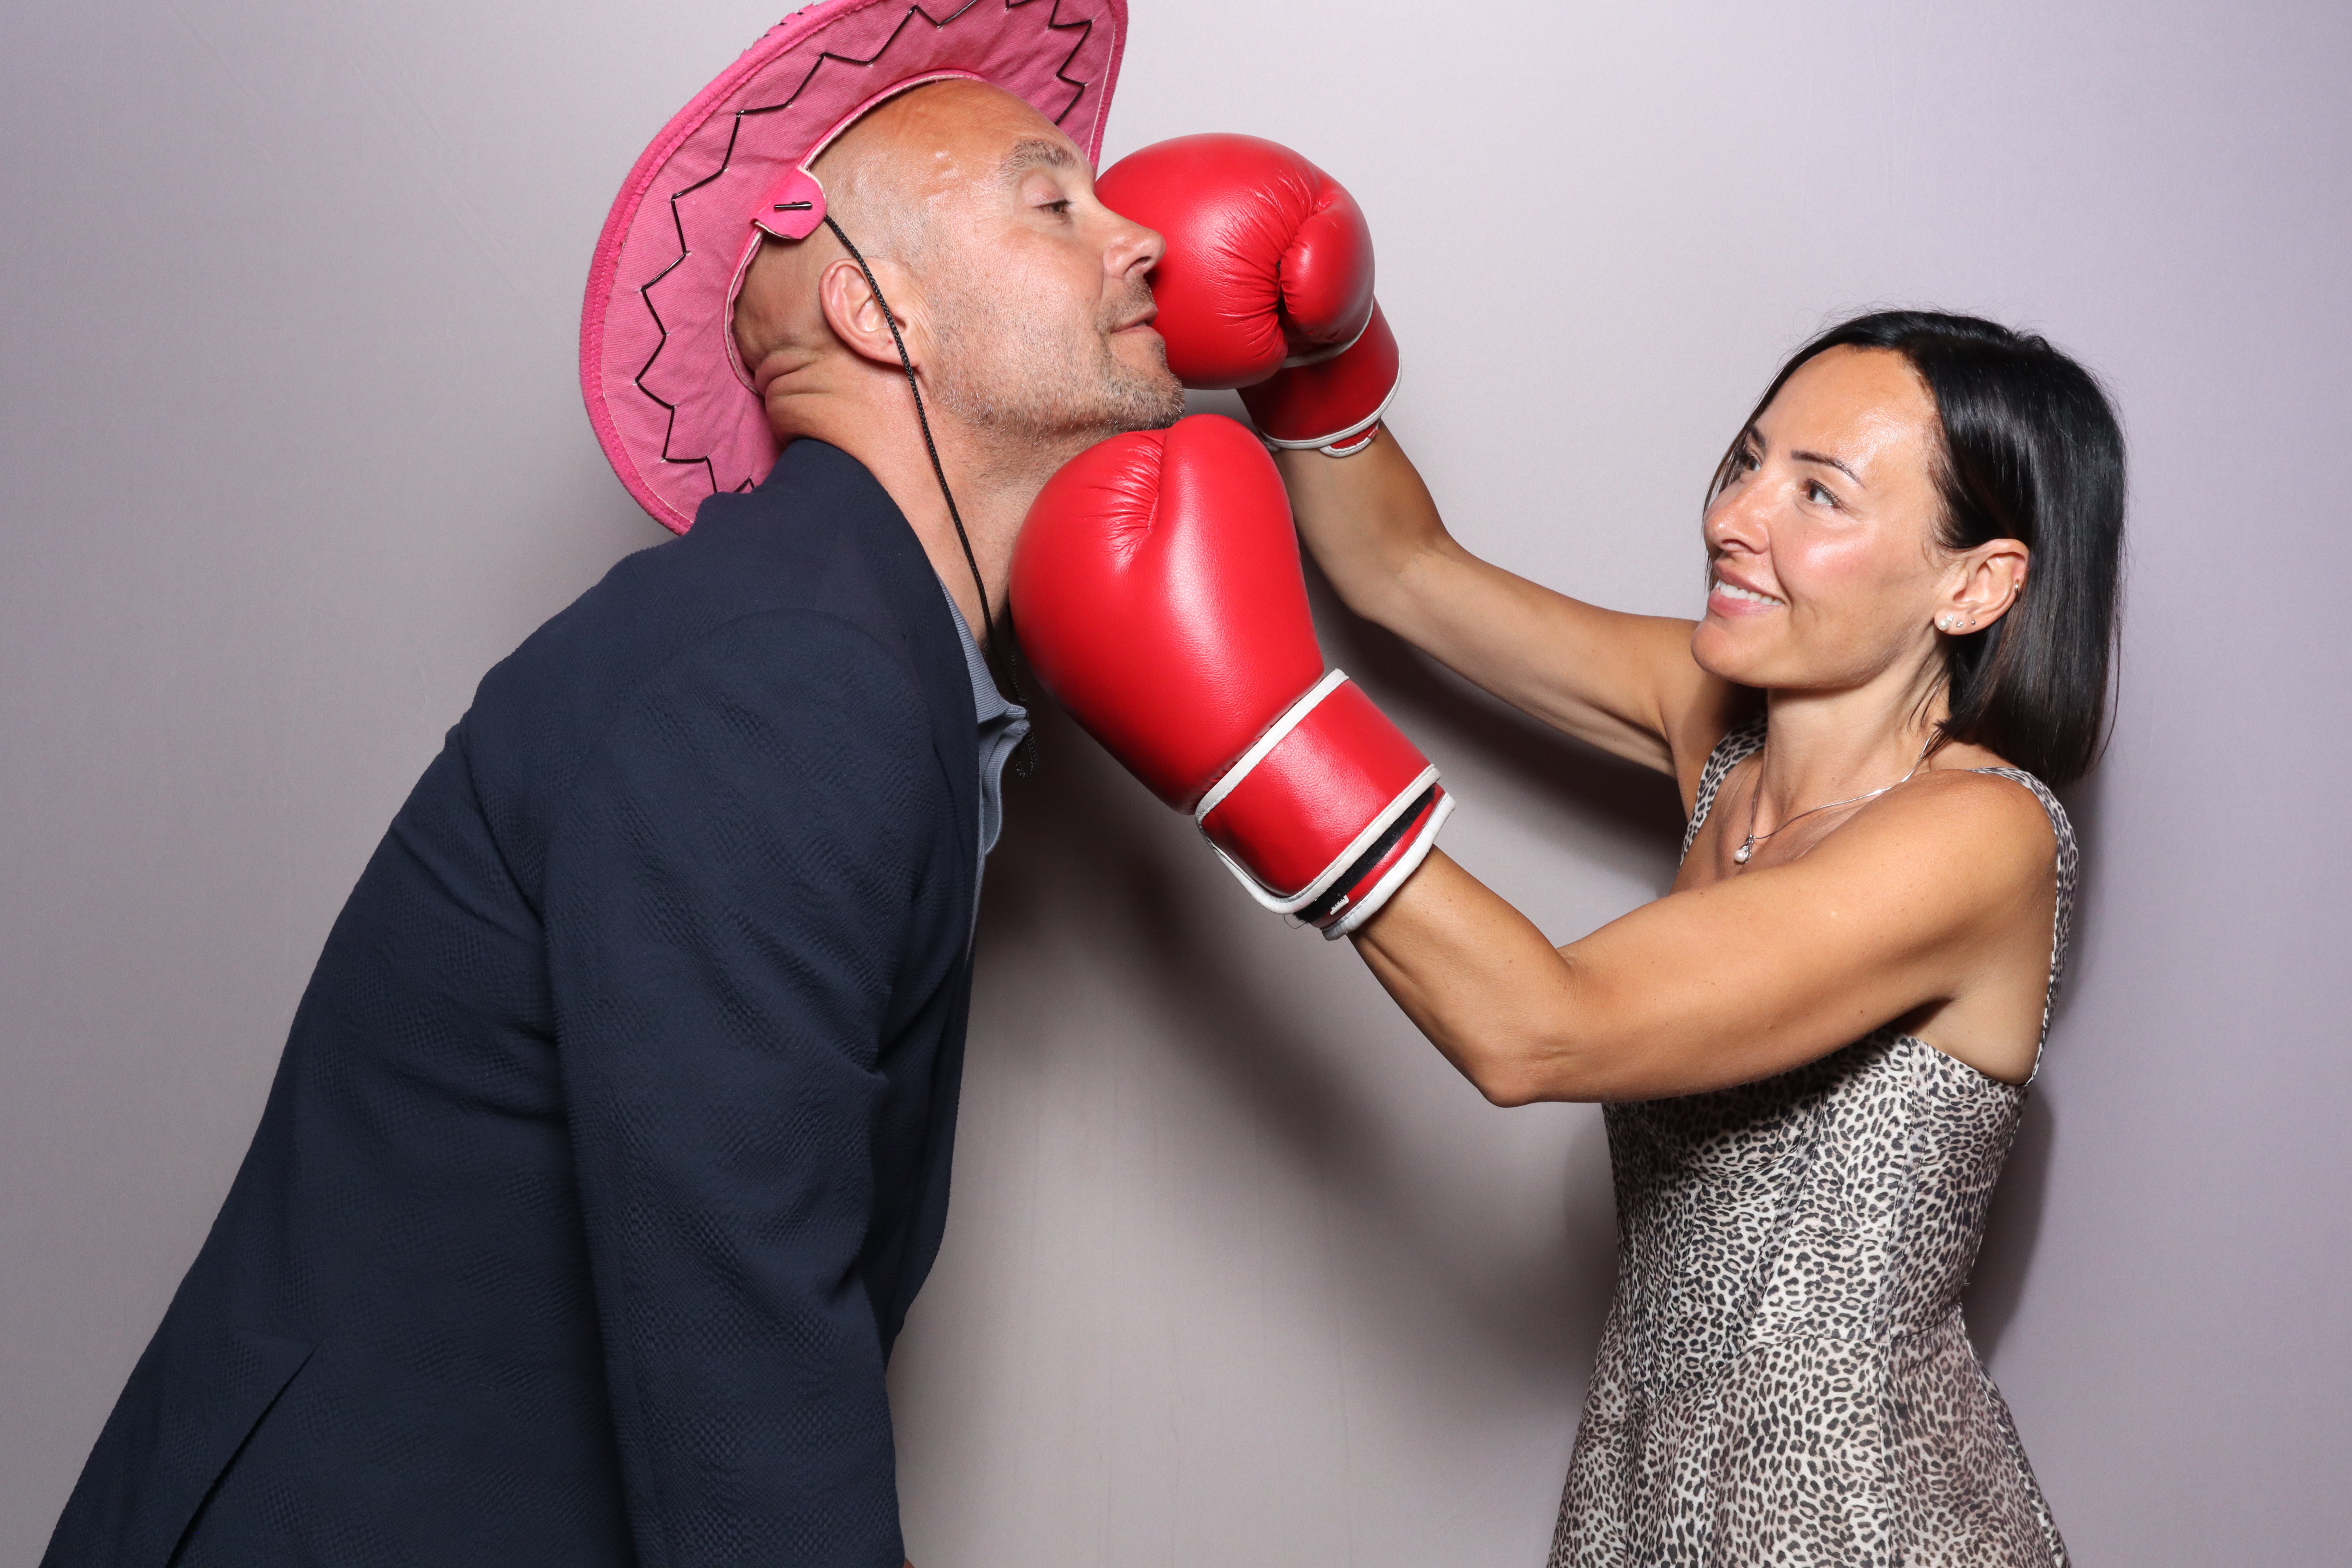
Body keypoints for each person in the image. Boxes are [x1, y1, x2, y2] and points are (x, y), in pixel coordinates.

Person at [43, 2, 1174, 1564]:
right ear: (874, 307)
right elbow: (751, 1352)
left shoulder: (838, 641)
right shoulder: (785, 673)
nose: (1146, 242)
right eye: (1057, 202)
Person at [1013, 137, 2121, 1566]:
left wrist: (1260, 749)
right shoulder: (1718, 720)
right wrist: (1316, 355)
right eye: (1748, 461)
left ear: (1977, 583)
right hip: (1643, 1472)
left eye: (1821, 496)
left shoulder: (1981, 840)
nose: (1734, 518)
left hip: (1859, 1513)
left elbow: (1540, 1031)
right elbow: (1403, 574)